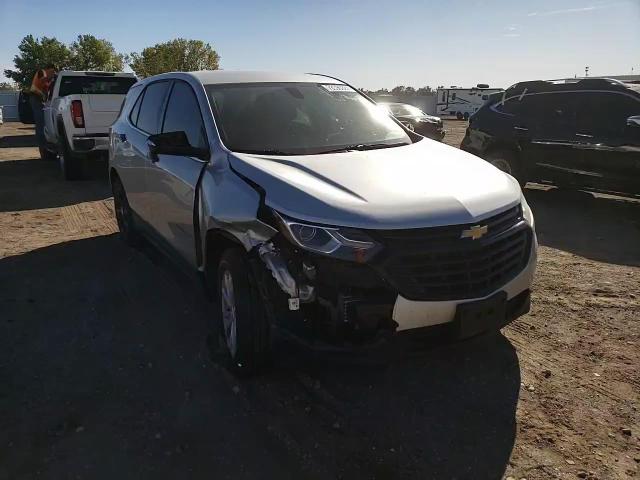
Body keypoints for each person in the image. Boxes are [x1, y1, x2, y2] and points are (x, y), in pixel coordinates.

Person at [29, 63, 56, 159]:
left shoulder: (46, 77)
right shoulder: (42, 72)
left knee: (43, 125)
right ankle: (44, 153)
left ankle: (46, 151)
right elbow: (35, 87)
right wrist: (52, 77)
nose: (53, 73)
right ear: (48, 69)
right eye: (52, 71)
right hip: (36, 98)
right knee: (41, 125)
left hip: (39, 99)